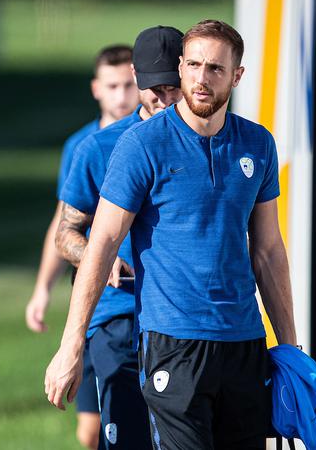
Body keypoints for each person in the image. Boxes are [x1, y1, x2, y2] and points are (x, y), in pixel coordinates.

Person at [45, 20, 297, 450]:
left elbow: (269, 252)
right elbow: (100, 243)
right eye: (194, 65)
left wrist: (290, 350)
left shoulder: (258, 144)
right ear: (181, 67)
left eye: (215, 68)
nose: (201, 78)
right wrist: (70, 347)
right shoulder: (140, 145)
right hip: (171, 342)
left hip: (244, 342)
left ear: (237, 76)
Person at [55, 26, 184, 449]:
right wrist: (100, 255)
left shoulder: (208, 142)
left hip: (185, 318)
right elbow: (65, 233)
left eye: (174, 87)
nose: (165, 99)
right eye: (155, 88)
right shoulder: (98, 148)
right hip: (116, 317)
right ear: (137, 78)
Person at [25, 44, 137, 450]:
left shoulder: (157, 137)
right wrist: (42, 289)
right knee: (91, 431)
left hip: (145, 309)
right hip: (100, 307)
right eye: (113, 86)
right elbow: (65, 224)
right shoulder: (84, 147)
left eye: (130, 84)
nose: (123, 95)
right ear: (96, 89)